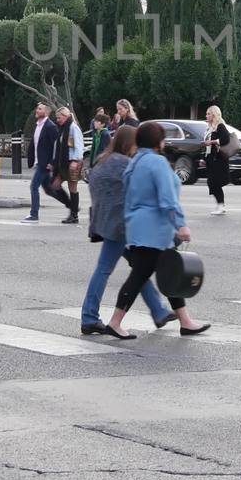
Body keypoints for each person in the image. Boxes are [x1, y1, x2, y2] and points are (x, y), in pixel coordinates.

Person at [104, 122, 210, 339]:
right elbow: (167, 198)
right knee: (141, 277)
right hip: (155, 229)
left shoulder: (135, 162)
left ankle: (186, 321)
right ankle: (115, 322)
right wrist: (181, 224)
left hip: (138, 227)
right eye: (162, 138)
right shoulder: (157, 163)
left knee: (168, 272)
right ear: (157, 141)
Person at [80, 126, 173, 334]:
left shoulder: (102, 161)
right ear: (130, 143)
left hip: (103, 222)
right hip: (121, 226)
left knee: (140, 269)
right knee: (108, 270)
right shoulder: (125, 164)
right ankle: (89, 316)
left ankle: (159, 311)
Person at [24, 103, 74, 223]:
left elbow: (56, 146)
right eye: (37, 108)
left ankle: (34, 214)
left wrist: (52, 162)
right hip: (40, 163)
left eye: (40, 109)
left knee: (34, 186)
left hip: (45, 164)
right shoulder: (38, 125)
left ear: (46, 112)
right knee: (49, 189)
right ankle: (72, 206)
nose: (37, 110)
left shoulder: (50, 126)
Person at [53, 108, 84, 225]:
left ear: (65, 116)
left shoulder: (73, 128)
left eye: (59, 117)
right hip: (63, 162)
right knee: (55, 185)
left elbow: (79, 146)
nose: (57, 120)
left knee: (72, 188)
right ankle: (73, 207)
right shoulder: (62, 129)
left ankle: (74, 215)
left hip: (72, 162)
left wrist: (76, 160)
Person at [202, 106, 232, 216]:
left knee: (215, 183)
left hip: (218, 160)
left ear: (214, 115)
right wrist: (204, 159)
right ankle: (220, 205)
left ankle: (221, 206)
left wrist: (212, 141)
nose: (206, 116)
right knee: (213, 183)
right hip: (211, 159)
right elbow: (208, 147)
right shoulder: (210, 128)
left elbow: (225, 139)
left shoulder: (220, 126)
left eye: (208, 114)